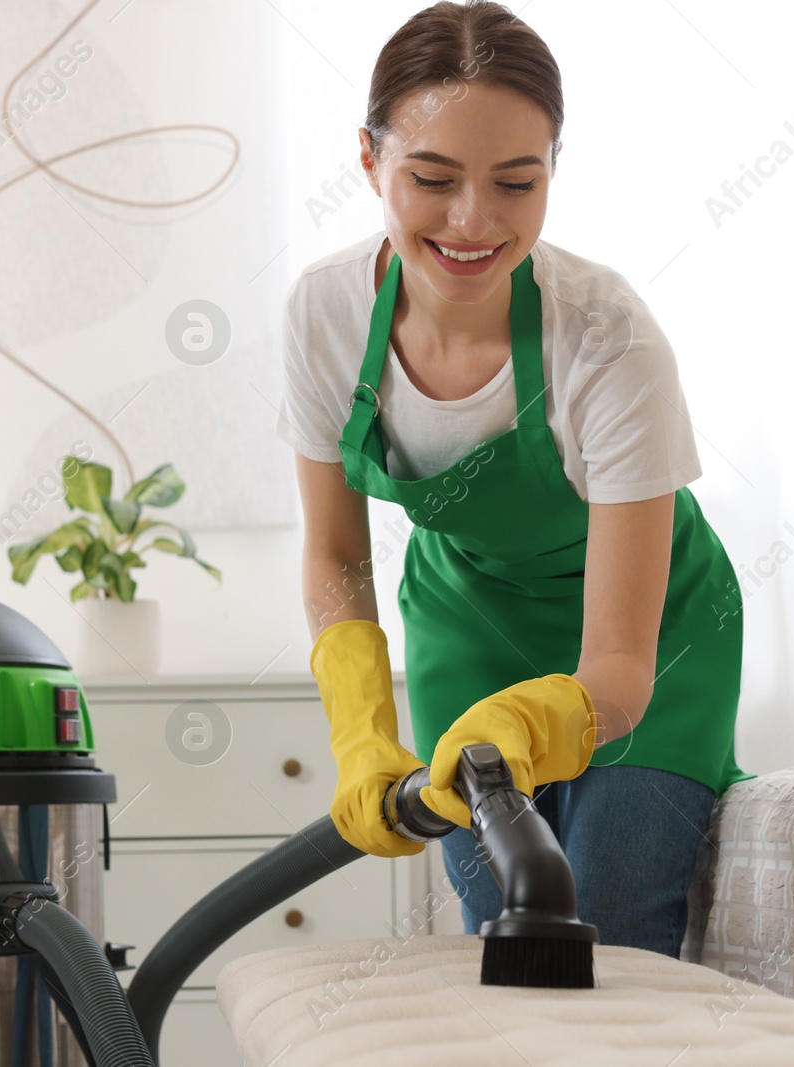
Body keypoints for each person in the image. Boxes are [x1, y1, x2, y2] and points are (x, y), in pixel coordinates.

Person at [278, 0, 748, 958]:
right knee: (509, 932)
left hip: (649, 636)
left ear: (552, 175)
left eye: (515, 182)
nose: (472, 220)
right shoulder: (325, 314)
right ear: (369, 161)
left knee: (605, 925)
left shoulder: (607, 339)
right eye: (432, 177)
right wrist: (361, 728)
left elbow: (617, 665)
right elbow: (335, 552)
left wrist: (538, 716)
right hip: (467, 626)